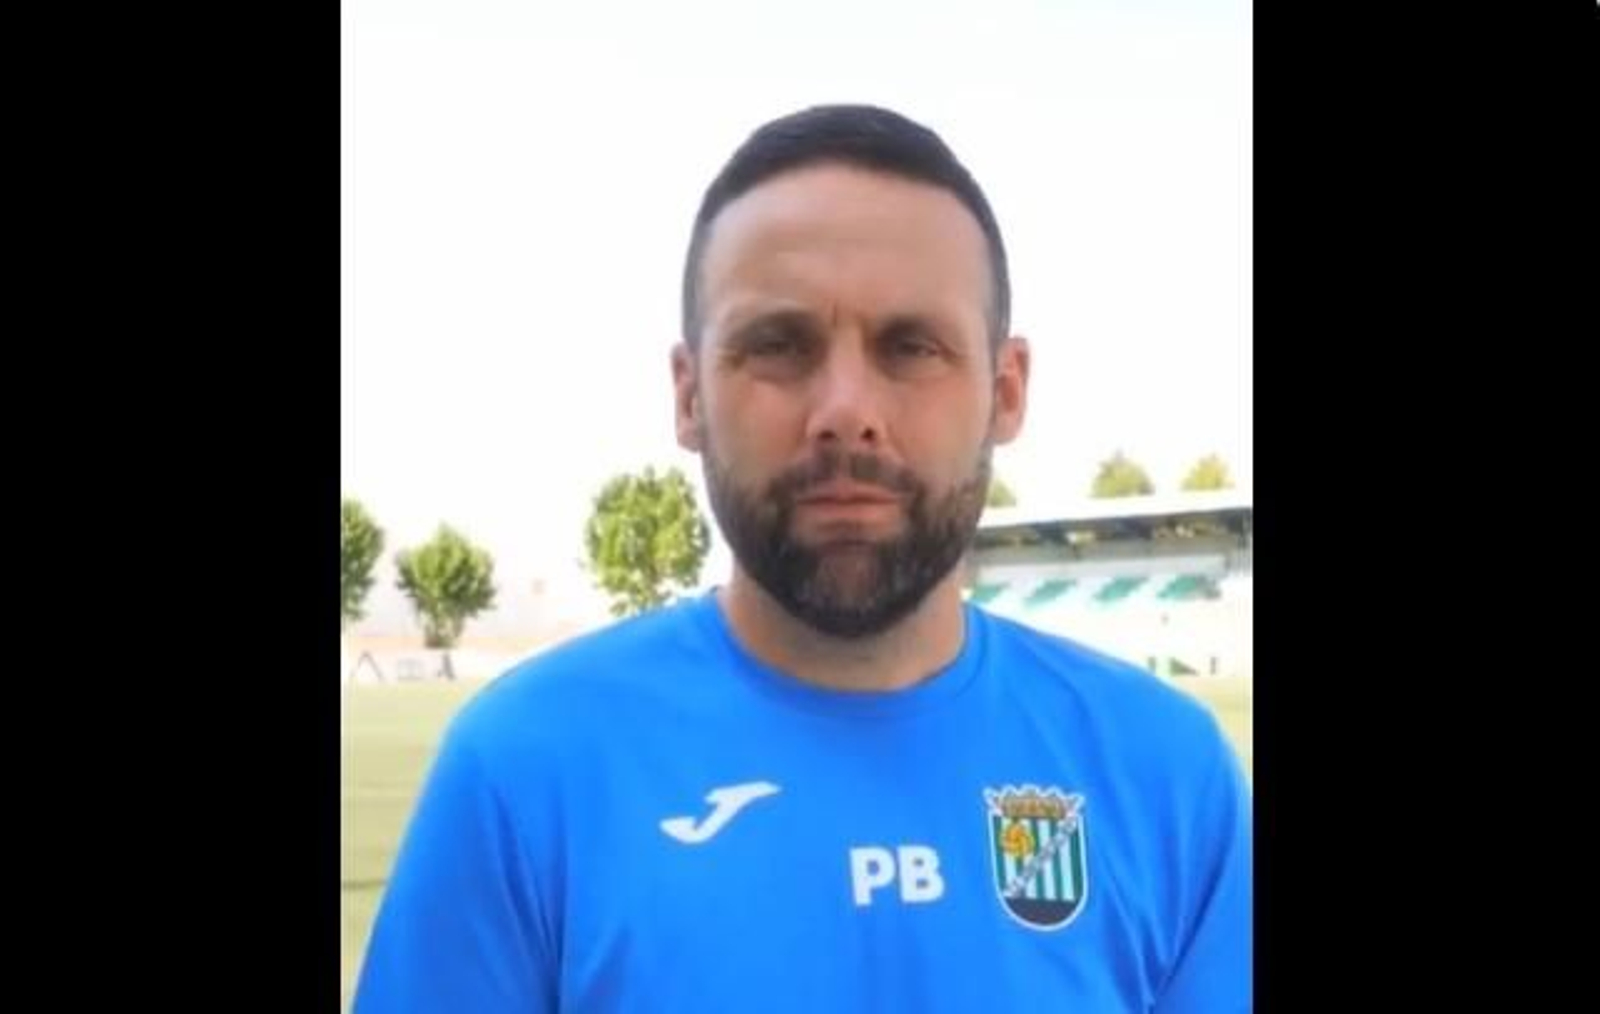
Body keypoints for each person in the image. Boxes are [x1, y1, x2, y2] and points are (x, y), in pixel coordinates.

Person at [353, 103, 1251, 1012]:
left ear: (1006, 391)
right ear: (690, 393)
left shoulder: (1169, 777)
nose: (846, 409)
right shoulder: (523, 769)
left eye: (912, 347)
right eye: (779, 346)